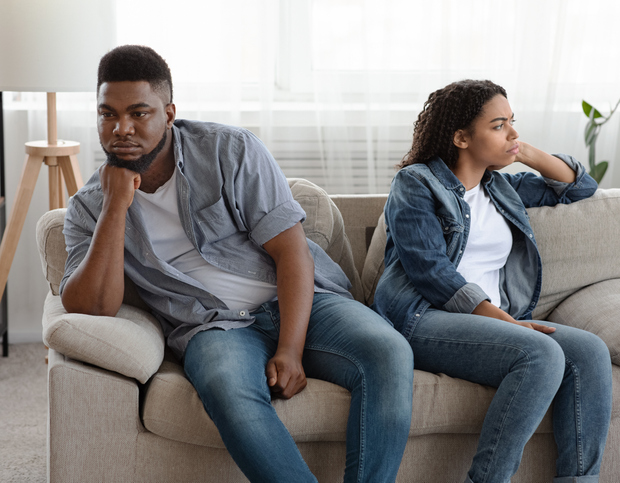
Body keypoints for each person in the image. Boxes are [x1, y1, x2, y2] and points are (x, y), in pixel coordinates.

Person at [60, 45, 414, 483]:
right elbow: (90, 306)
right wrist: (115, 206)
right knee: (227, 389)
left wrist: (290, 349)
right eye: (107, 115)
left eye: (138, 113)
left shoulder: (230, 150)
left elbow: (292, 253)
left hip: (304, 301)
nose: (121, 129)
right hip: (211, 326)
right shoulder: (88, 208)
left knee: (389, 351)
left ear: (169, 113)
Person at [372, 79, 612, 483]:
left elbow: (579, 186)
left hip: (491, 321)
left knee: (589, 351)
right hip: (422, 317)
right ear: (461, 137)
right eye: (499, 125)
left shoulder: (501, 188)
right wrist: (504, 321)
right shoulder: (415, 183)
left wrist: (522, 151)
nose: (512, 133)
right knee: (540, 354)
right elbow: (430, 271)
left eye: (513, 122)